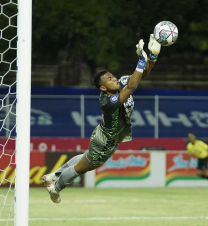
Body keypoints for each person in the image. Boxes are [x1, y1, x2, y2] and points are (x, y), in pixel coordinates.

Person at [42, 35, 161, 203]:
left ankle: (53, 176)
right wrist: (141, 60)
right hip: (106, 142)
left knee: (86, 157)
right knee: (81, 168)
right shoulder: (108, 101)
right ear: (104, 88)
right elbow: (133, 86)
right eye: (110, 79)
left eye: (112, 76)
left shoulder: (121, 83)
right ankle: (55, 189)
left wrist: (153, 55)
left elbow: (143, 74)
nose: (114, 79)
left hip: (102, 134)